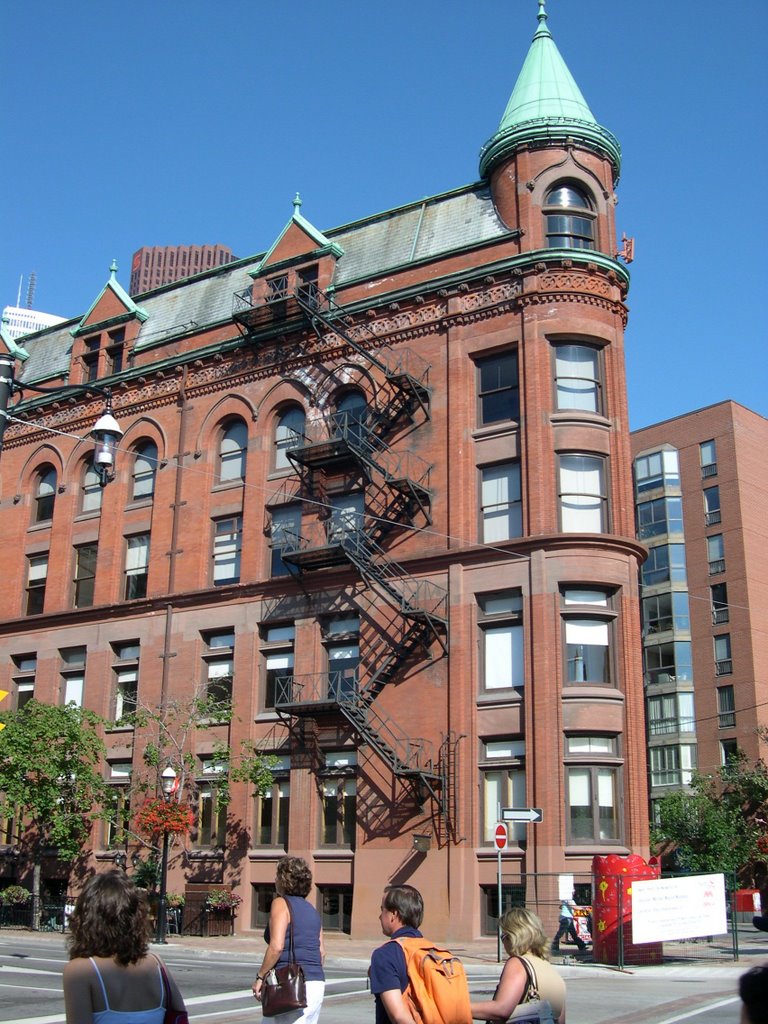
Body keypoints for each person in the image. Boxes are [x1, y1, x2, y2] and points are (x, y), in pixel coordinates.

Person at [62, 869, 186, 1024]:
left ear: (85, 917)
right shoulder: (156, 964)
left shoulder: (80, 970)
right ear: (136, 917)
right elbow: (180, 1017)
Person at [252, 856, 325, 1024]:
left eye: (277, 876)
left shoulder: (280, 903)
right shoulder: (312, 910)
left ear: (284, 880)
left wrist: (260, 976)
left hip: (291, 985)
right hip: (316, 984)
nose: (274, 880)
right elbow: (321, 953)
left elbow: (276, 947)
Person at [470, 908, 566, 1024]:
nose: (503, 942)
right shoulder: (550, 969)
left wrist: (457, 1008)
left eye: (503, 936)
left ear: (514, 936)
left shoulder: (518, 963)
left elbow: (502, 1009)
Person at [369, 884, 424, 1024]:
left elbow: (398, 1016)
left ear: (394, 914)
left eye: (382, 910)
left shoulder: (385, 955)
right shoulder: (432, 951)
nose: (379, 916)